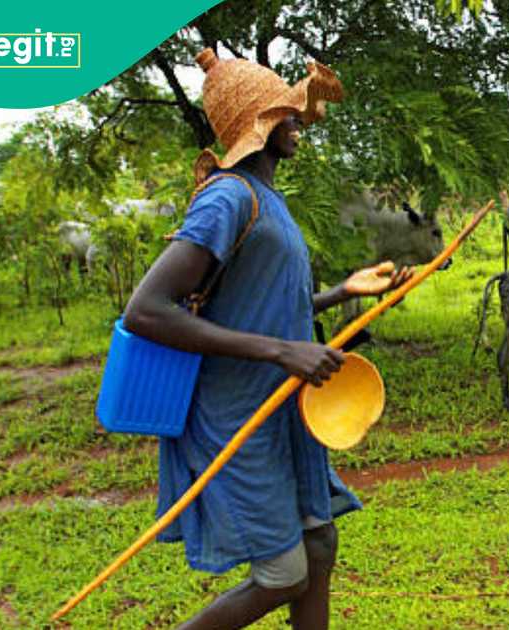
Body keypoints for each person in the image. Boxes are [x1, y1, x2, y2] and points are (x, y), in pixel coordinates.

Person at [122, 48, 413, 629]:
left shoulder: (268, 200)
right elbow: (146, 311)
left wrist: (342, 292)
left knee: (321, 545)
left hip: (285, 409)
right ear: (258, 126)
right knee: (284, 574)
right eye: (285, 113)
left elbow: (267, 309)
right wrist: (284, 352)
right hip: (237, 415)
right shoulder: (228, 198)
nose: (299, 121)